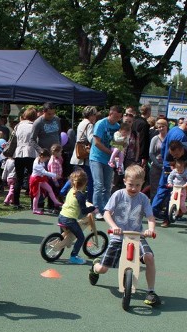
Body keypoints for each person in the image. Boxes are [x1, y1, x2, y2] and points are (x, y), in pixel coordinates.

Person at [88, 164, 160, 306]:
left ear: (143, 184)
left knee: (149, 257)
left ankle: (151, 291)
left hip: (136, 236)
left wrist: (150, 230)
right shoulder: (118, 195)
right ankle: (95, 267)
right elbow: (107, 212)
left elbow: (150, 217)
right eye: (131, 185)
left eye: (138, 185)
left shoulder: (143, 199)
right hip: (118, 236)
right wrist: (114, 227)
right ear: (125, 181)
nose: (134, 188)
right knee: (103, 269)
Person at [89, 106, 123, 217]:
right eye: (116, 116)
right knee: (98, 184)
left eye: (119, 117)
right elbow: (97, 143)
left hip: (109, 160)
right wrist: (110, 153)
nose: (117, 119)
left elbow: (118, 142)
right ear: (110, 113)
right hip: (97, 158)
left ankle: (105, 209)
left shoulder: (118, 126)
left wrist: (118, 153)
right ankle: (96, 209)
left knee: (107, 186)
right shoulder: (101, 123)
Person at [58, 169, 97, 265]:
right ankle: (74, 256)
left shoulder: (71, 190)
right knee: (81, 238)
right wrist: (92, 208)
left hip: (61, 216)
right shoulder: (80, 195)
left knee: (66, 236)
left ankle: (62, 245)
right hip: (69, 220)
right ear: (85, 183)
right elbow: (83, 211)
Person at [8, 106, 38, 209]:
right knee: (32, 178)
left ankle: (16, 201)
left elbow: (13, 139)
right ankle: (32, 202)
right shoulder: (34, 126)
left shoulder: (18, 126)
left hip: (19, 152)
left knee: (19, 178)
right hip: (31, 153)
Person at [30, 147, 62, 215]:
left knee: (49, 189)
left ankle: (55, 201)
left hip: (41, 178)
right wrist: (55, 175)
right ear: (42, 156)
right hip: (36, 180)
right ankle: (35, 209)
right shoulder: (37, 164)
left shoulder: (40, 160)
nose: (46, 160)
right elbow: (45, 172)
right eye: (46, 158)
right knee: (37, 195)